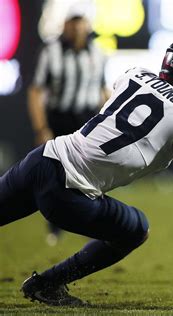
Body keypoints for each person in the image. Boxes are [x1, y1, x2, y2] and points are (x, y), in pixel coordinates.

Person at [0, 36, 173, 306]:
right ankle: (46, 284)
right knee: (135, 228)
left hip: (41, 159)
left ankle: (45, 285)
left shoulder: (135, 74)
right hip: (68, 192)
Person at [28, 7, 109, 245]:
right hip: (59, 117)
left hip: (87, 117)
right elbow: (36, 90)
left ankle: (92, 222)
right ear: (64, 25)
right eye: (71, 23)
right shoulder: (50, 52)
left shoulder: (98, 52)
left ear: (87, 25)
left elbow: (103, 90)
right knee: (57, 173)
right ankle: (55, 224)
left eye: (79, 23)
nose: (75, 28)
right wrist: (41, 127)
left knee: (93, 172)